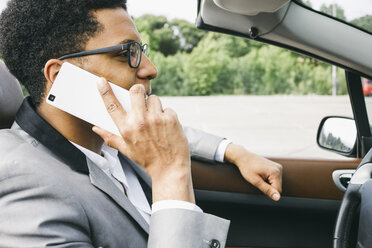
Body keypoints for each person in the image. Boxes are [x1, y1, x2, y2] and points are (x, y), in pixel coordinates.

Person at [0, 0, 282, 247]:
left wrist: (232, 150)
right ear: (61, 76)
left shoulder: (107, 130)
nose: (150, 68)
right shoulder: (22, 185)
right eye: (127, 54)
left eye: (141, 50)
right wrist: (170, 176)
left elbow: (163, 132)